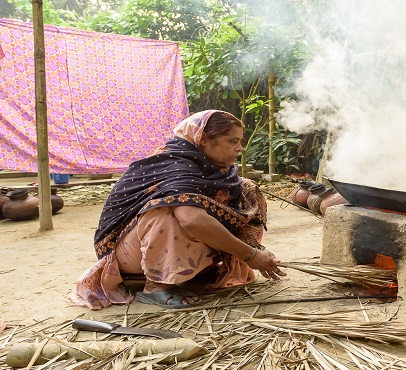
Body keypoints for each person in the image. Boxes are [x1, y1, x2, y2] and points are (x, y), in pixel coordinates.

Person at [68, 110, 286, 310]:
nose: (240, 148)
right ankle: (156, 285)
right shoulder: (176, 164)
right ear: (204, 139)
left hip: (151, 246)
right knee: (167, 210)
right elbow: (192, 221)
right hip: (128, 253)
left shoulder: (218, 170)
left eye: (240, 141)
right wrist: (250, 255)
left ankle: (196, 273)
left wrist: (249, 250)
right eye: (232, 141)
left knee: (246, 189)